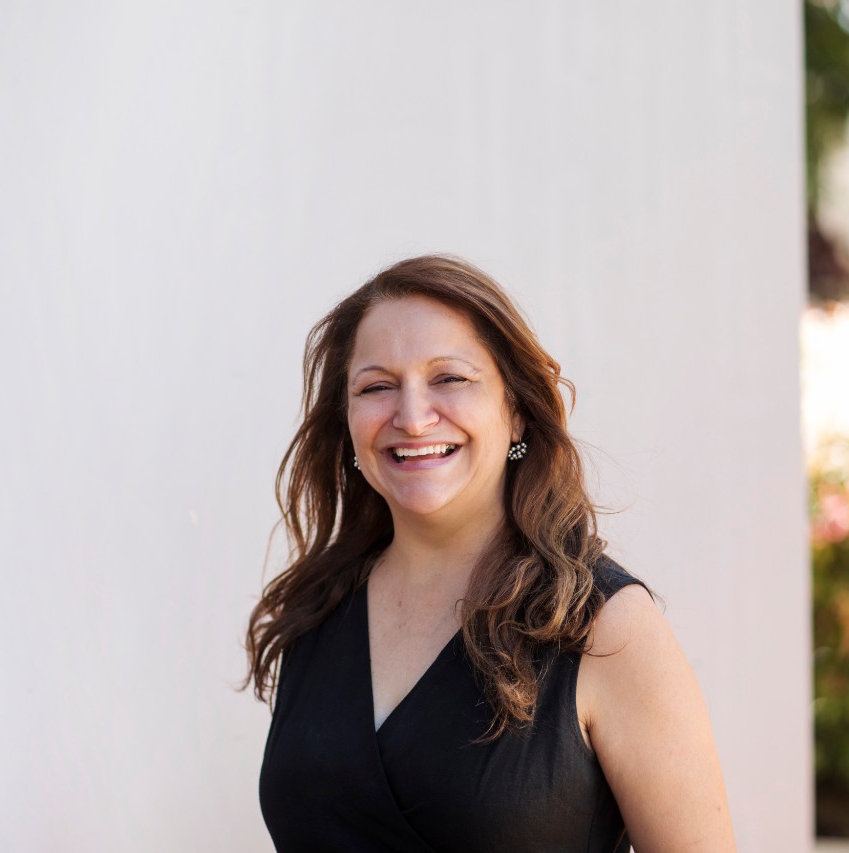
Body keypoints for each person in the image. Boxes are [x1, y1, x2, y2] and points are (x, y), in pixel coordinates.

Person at [246, 255, 734, 852]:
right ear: (347, 423)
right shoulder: (317, 612)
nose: (412, 416)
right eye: (377, 387)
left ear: (517, 411)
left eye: (449, 379)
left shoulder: (609, 628)